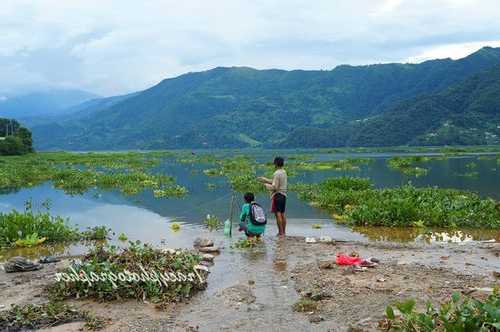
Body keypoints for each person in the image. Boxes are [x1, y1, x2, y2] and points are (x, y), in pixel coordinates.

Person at [258, 156, 287, 236]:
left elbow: (275, 187)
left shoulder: (276, 173)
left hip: (277, 195)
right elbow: (275, 182)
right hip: (283, 195)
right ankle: (283, 232)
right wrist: (265, 179)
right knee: (282, 213)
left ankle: (280, 232)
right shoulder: (283, 172)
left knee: (278, 214)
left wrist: (265, 185)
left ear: (276, 164)